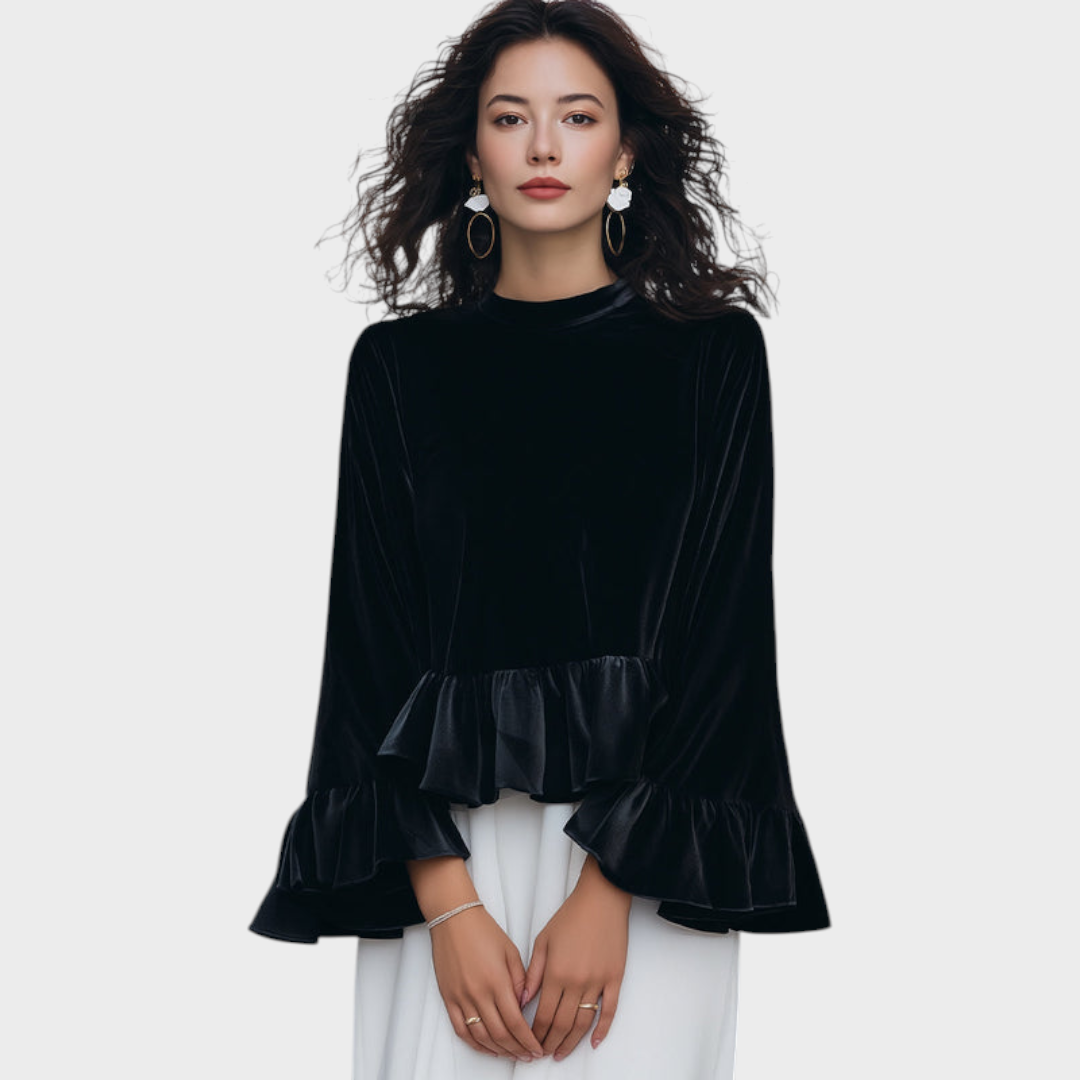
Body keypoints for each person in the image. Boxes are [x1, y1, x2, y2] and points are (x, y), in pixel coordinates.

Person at [248, 1, 829, 1076]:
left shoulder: (712, 359)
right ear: (474, 154)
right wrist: (449, 907)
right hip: (444, 863)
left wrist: (610, 887)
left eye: (579, 116)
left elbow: (726, 646)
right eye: (512, 118)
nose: (546, 146)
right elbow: (367, 656)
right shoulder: (397, 370)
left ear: (626, 150)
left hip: (646, 856)